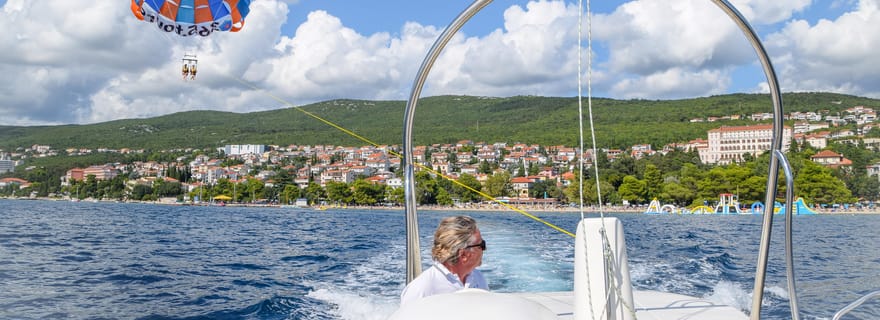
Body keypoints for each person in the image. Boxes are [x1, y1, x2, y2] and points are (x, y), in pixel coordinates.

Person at [400, 215, 488, 306]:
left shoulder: (478, 277)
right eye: (481, 245)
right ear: (463, 255)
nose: (485, 249)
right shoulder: (422, 289)